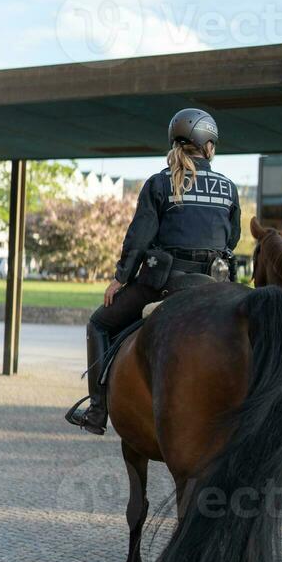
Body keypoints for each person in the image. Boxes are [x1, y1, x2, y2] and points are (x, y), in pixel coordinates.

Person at [66, 108, 241, 435]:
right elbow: (232, 239)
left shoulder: (160, 183)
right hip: (212, 286)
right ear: (209, 146)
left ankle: (97, 411)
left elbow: (139, 239)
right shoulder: (229, 188)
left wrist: (120, 278)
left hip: (164, 285)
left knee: (98, 323)